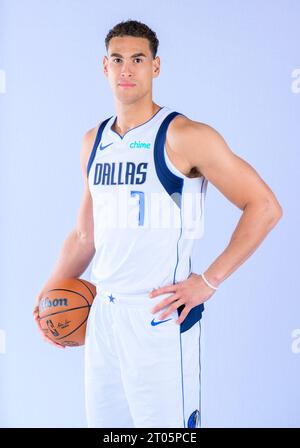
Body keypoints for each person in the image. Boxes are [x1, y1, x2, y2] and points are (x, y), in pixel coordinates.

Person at [33, 20, 283, 428]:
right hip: (103, 315)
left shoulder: (184, 136)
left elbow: (264, 206)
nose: (127, 69)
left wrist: (210, 281)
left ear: (156, 67)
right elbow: (85, 235)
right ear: (105, 67)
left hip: (160, 315)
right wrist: (46, 298)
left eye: (137, 59)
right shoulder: (93, 142)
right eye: (118, 60)